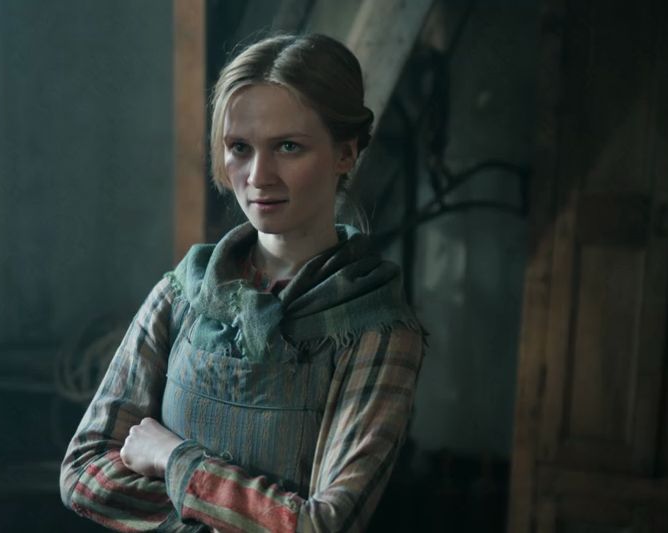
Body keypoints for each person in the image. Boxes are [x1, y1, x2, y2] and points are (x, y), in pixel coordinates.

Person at [59, 33, 426, 532]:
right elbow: (82, 471)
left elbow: (322, 526)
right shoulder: (183, 293)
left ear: (346, 153)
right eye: (239, 148)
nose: (258, 176)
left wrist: (174, 459)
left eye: (288, 147)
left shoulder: (376, 327)